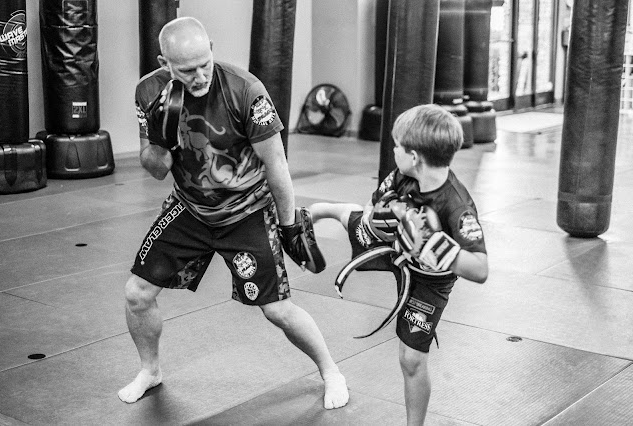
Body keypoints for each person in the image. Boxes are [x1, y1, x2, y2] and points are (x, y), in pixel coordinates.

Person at [118, 17, 349, 410]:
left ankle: (331, 371)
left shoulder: (245, 89)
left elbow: (276, 163)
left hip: (247, 213)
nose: (199, 75)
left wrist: (289, 223)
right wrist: (160, 136)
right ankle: (150, 371)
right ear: (164, 62)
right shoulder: (149, 91)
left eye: (205, 62)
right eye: (187, 70)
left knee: (276, 310)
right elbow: (156, 169)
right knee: (137, 294)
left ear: (211, 46)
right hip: (190, 209)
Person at [310, 104, 488, 425]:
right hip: (393, 245)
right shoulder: (402, 175)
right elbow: (372, 202)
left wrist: (434, 246)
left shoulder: (457, 206)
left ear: (415, 155)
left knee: (411, 359)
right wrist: (372, 217)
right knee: (354, 220)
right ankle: (323, 210)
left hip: (430, 279)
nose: (393, 150)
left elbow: (479, 269)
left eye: (396, 145)